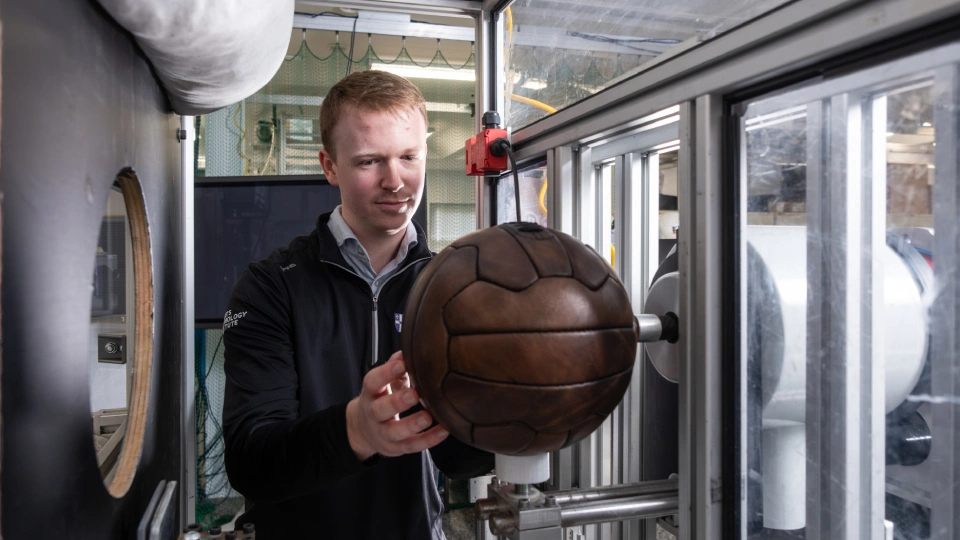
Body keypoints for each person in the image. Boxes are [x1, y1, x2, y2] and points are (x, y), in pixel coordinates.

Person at [222, 70, 494, 538]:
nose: (396, 181)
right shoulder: (269, 288)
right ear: (330, 167)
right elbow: (251, 460)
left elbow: (461, 461)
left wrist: (507, 411)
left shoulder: (450, 288)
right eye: (370, 161)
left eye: (409, 157)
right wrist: (357, 431)